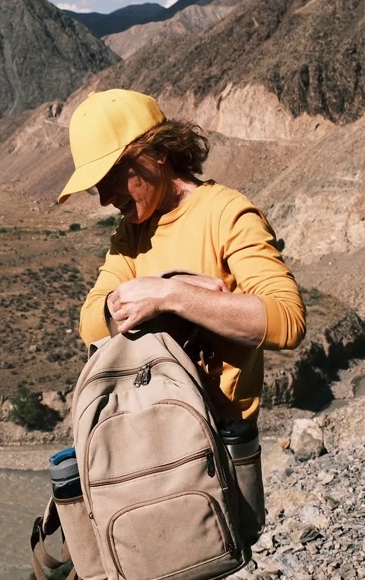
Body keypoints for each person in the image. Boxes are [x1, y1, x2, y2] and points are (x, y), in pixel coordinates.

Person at [57, 88, 305, 423]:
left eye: (112, 175)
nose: (104, 199)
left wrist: (171, 296)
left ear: (159, 151)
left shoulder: (227, 214)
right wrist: (146, 295)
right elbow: (91, 325)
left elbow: (286, 321)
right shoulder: (131, 233)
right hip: (152, 437)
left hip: (223, 447)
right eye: (95, 186)